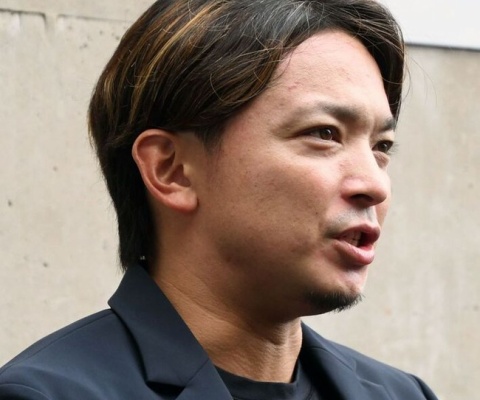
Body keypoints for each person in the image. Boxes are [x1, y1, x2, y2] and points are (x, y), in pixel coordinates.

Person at [0, 0, 438, 399]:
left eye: (381, 146)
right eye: (324, 134)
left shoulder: (402, 394)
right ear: (172, 170)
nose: (375, 185)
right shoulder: (48, 394)